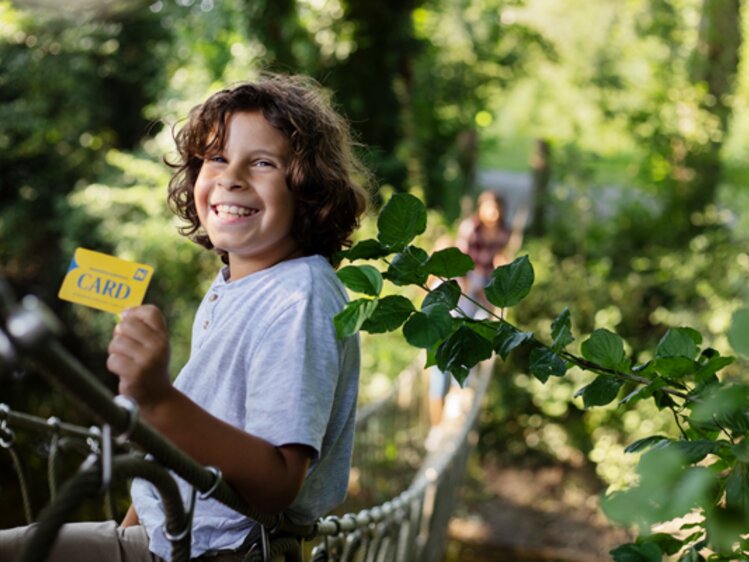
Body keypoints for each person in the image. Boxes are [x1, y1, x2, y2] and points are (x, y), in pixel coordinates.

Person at [0, 73, 370, 561]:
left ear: (309, 188)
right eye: (217, 158)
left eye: (261, 162)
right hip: (168, 532)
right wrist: (139, 517)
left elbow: (278, 482)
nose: (230, 177)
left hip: (230, 551)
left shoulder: (300, 298)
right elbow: (199, 431)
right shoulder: (235, 283)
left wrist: (155, 398)